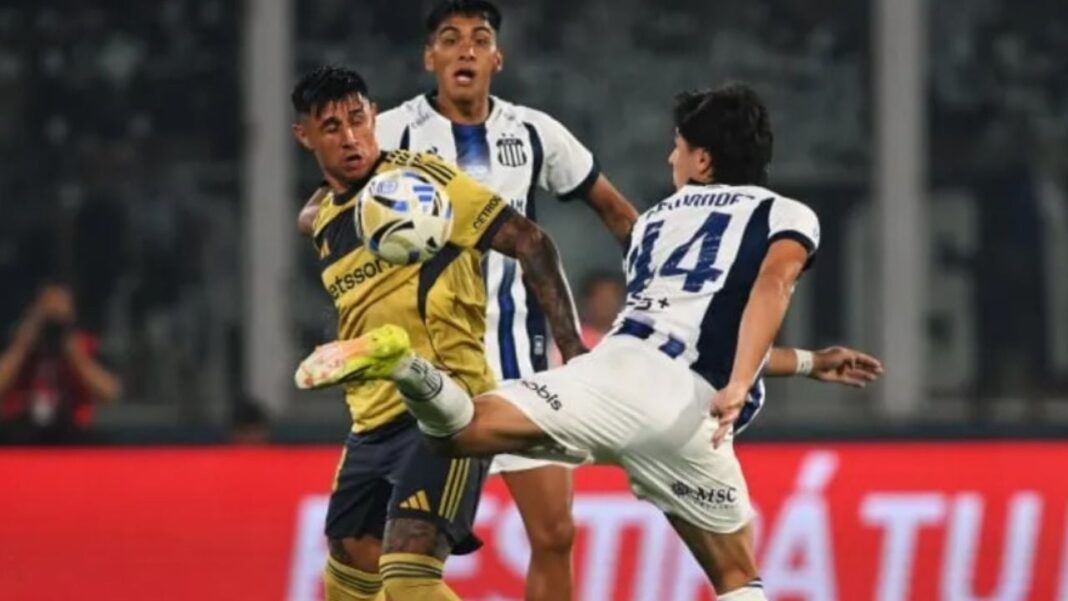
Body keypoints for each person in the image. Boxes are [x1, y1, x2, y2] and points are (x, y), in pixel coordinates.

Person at [305, 83, 884, 600]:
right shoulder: (789, 213)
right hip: (695, 415)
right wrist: (789, 366)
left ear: (701, 161)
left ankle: (406, 364)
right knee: (737, 577)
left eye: (677, 147)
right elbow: (767, 289)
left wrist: (773, 369)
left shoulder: (656, 223)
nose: (670, 157)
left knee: (459, 431)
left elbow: (685, 321)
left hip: (613, 378)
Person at [289, 65, 586, 601]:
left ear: (375, 116)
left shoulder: (424, 181)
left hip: (446, 411)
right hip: (371, 421)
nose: (351, 137)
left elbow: (530, 241)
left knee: (408, 575)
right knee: (348, 568)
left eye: (358, 119)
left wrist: (574, 350)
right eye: (331, 127)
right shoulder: (321, 220)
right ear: (304, 136)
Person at [0, 283, 121, 444]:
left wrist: (77, 356)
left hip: (73, 435)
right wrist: (21, 347)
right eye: (47, 317)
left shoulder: (86, 346)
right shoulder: (14, 344)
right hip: (19, 436)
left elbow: (111, 392)